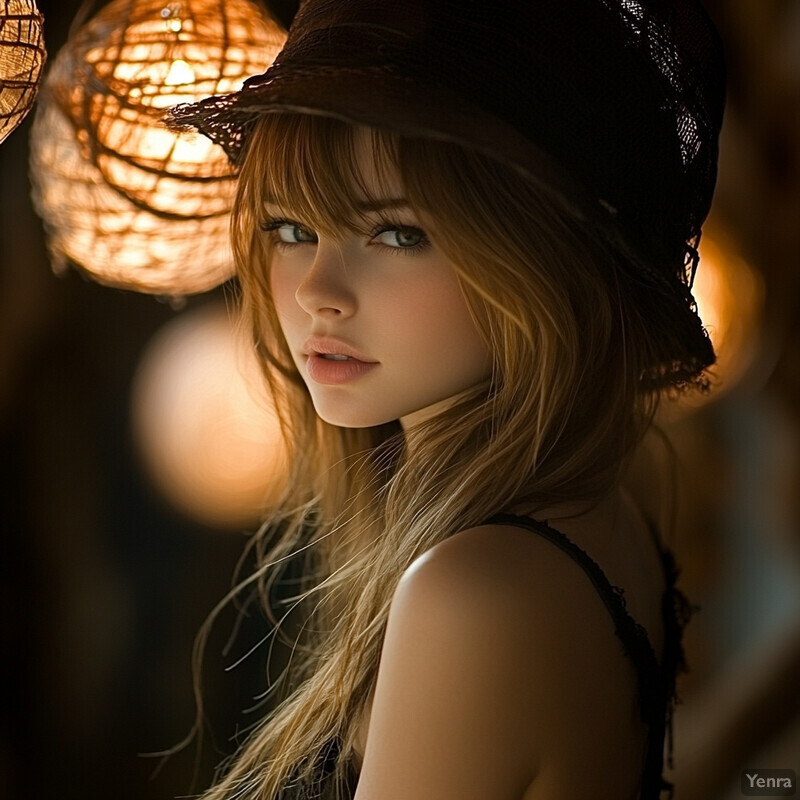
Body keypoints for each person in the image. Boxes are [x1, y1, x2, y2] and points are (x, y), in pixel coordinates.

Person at [169, 0, 725, 797]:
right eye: (291, 228)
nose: (319, 291)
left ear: (537, 254)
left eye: (398, 234)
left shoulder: (473, 594)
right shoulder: (587, 511)